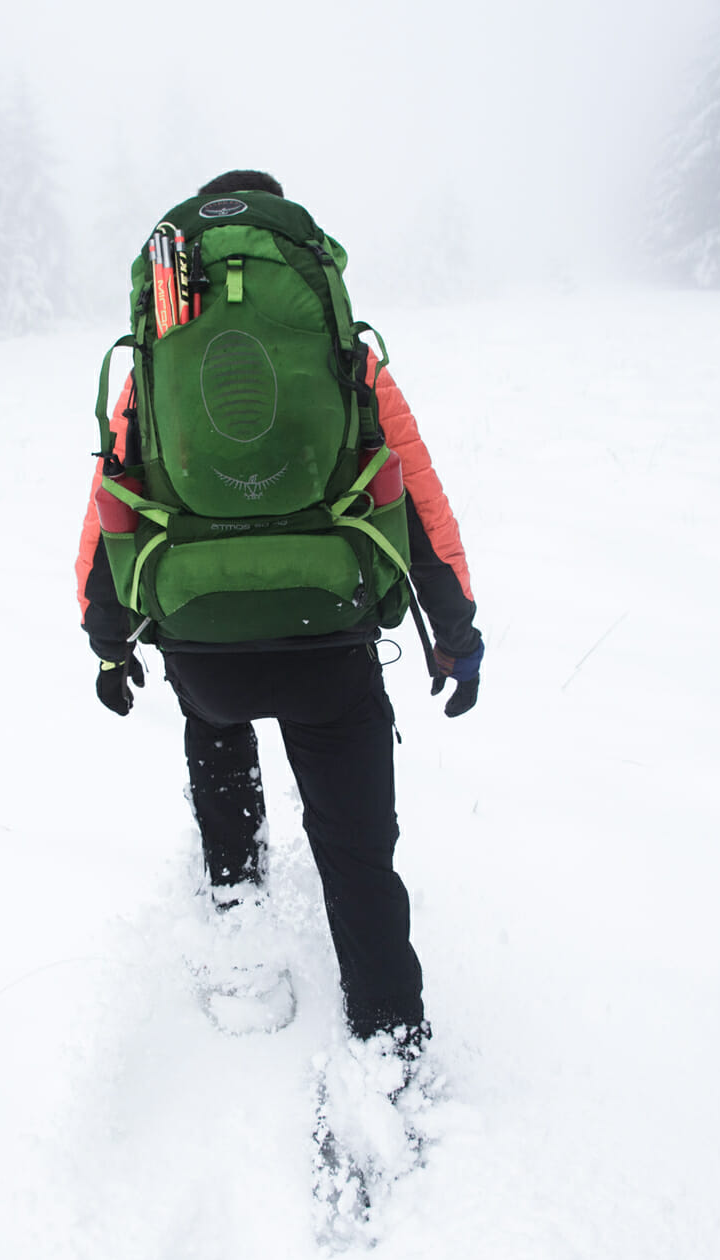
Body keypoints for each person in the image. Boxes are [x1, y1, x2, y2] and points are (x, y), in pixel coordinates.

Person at [74, 170, 483, 1057]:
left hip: (202, 642)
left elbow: (111, 492)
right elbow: (416, 498)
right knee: (358, 855)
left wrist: (107, 640)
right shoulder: (344, 353)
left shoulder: (164, 351)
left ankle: (241, 939)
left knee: (215, 729)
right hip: (327, 635)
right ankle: (388, 1038)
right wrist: (456, 631)